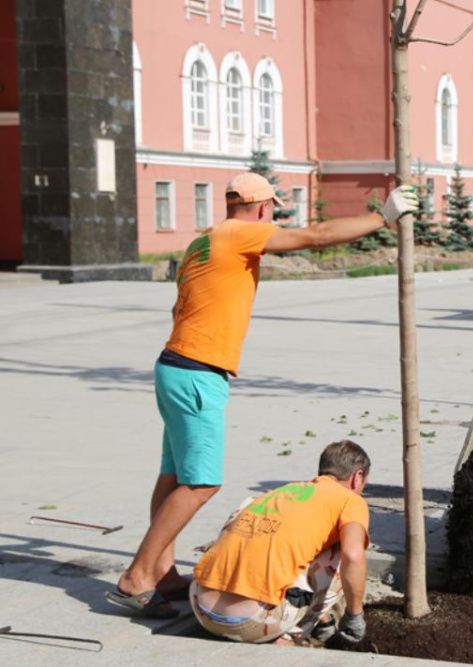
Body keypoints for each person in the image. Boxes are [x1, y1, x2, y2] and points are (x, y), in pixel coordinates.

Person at [106, 173, 418, 618]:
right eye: (272, 209)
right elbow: (315, 235)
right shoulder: (240, 233)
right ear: (262, 208)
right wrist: (381, 218)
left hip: (175, 365)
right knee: (201, 482)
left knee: (173, 478)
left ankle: (164, 569)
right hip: (198, 373)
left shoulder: (206, 239)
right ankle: (137, 577)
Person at [188, 441, 371, 645]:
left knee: (261, 525)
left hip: (200, 609)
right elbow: (353, 556)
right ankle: (293, 634)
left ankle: (321, 621)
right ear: (358, 477)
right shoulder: (350, 500)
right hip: (249, 625)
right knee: (342, 552)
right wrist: (355, 616)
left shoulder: (283, 492)